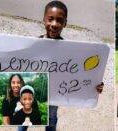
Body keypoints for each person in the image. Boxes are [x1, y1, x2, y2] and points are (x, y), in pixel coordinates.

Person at [41, 1, 104, 131]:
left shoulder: (71, 51)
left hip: (53, 96)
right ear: (44, 20)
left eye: (59, 20)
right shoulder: (31, 45)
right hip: (32, 91)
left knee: (51, 119)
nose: (54, 24)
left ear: (65, 23)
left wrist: (95, 84)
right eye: (50, 19)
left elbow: (80, 72)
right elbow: (18, 67)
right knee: (24, 119)